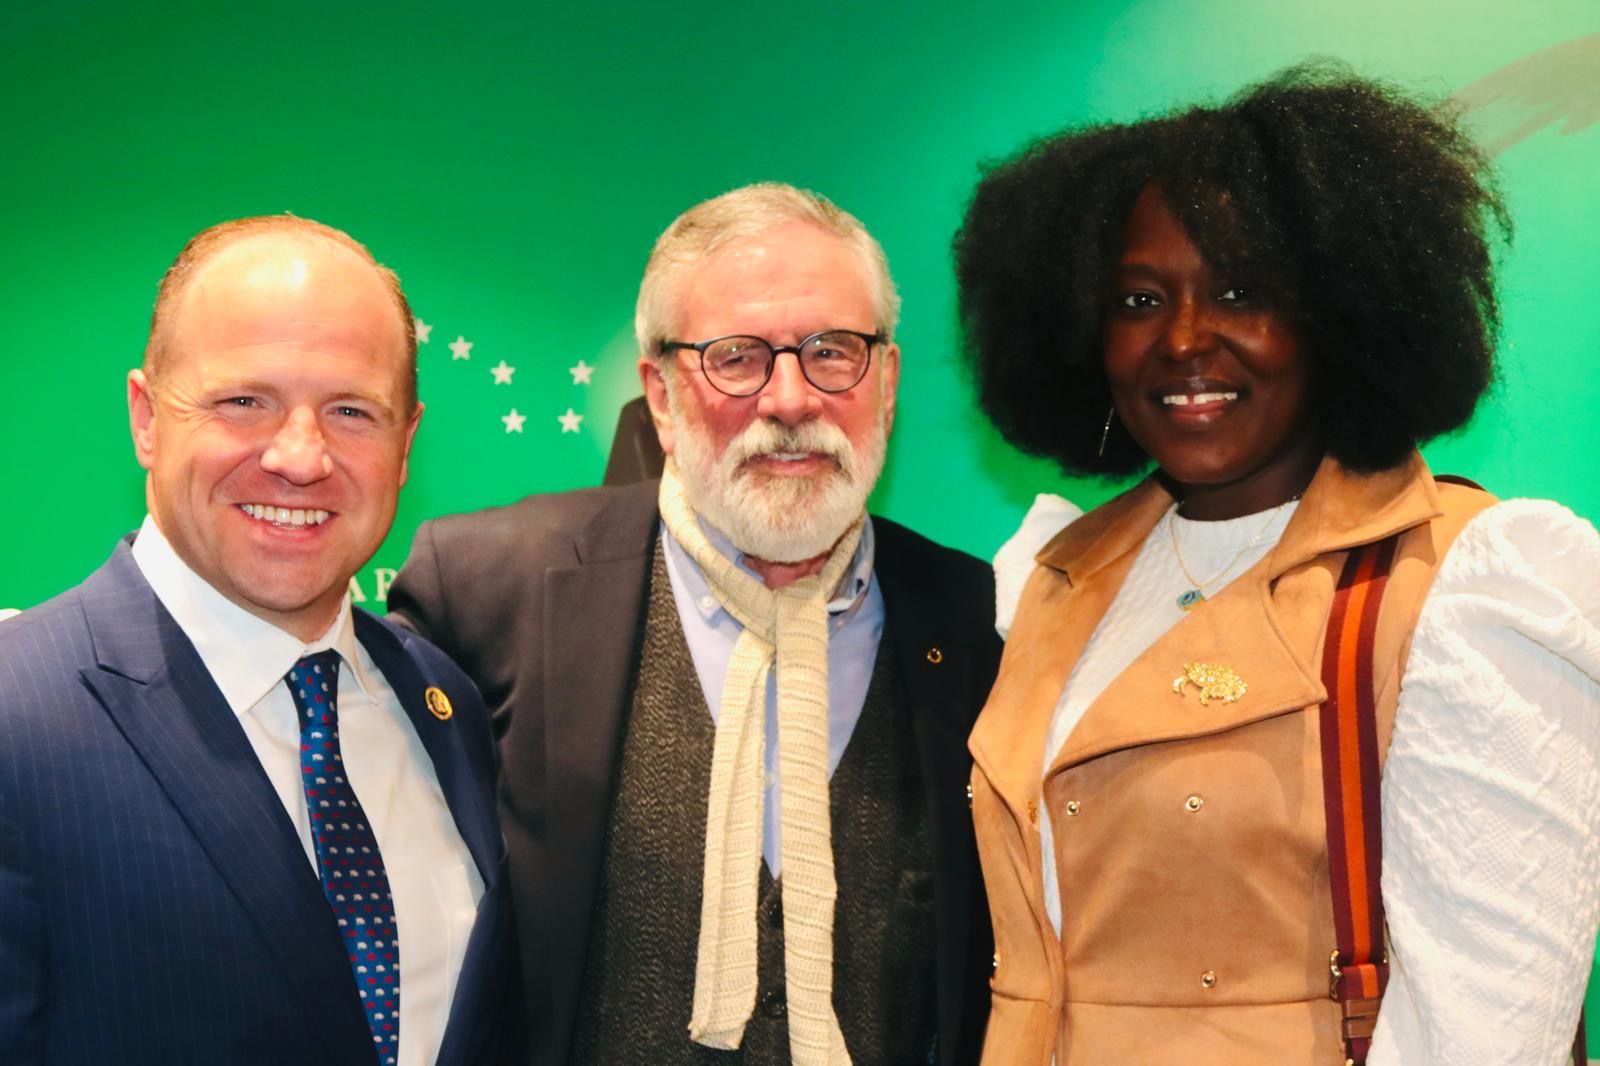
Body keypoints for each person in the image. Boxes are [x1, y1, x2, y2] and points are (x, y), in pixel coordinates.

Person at [952, 63, 1600, 1065]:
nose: (1182, 339)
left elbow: (1486, 1035)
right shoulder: (1050, 573)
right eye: (1136, 297)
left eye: (1242, 292)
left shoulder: (1463, 586)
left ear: (1342, 311)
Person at [389, 182, 1000, 1066]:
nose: (791, 399)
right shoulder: (485, 593)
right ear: (663, 396)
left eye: (833, 351)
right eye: (738, 357)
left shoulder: (971, 619)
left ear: (889, 382)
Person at [0, 216, 515, 1066]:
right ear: (146, 418)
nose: (301, 457)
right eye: (245, 401)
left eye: (352, 411)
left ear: (406, 445)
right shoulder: (20, 718)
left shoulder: (444, 703)